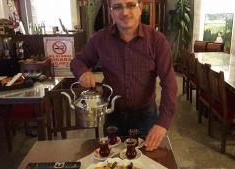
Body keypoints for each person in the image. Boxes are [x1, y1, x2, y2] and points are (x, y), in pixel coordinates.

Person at [70, 0, 177, 151]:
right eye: (118, 6)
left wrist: (162, 123)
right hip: (112, 116)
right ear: (110, 11)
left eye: (131, 5)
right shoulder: (100, 39)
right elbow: (77, 61)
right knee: (112, 160)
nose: (125, 12)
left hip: (145, 117)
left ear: (140, 8)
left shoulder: (157, 41)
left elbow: (169, 83)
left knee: (145, 162)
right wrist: (83, 72)